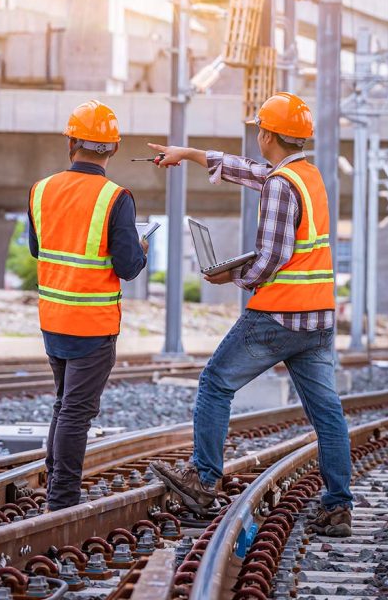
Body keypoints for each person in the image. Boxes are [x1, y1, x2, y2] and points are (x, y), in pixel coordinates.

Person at [145, 92, 354, 537]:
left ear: (267, 135)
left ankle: (202, 479)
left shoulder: (281, 186)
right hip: (317, 320)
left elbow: (273, 256)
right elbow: (253, 172)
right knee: (328, 414)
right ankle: (338, 506)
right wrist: (192, 154)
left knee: (216, 382)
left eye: (259, 129)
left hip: (277, 317)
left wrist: (234, 278)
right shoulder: (306, 175)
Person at [28, 100, 149, 512]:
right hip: (92, 325)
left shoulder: (40, 190)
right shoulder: (116, 198)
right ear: (112, 150)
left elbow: (36, 248)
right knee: (76, 413)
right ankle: (61, 502)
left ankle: (54, 487)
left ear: (72, 142)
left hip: (53, 319)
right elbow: (129, 267)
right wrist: (141, 246)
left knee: (64, 405)